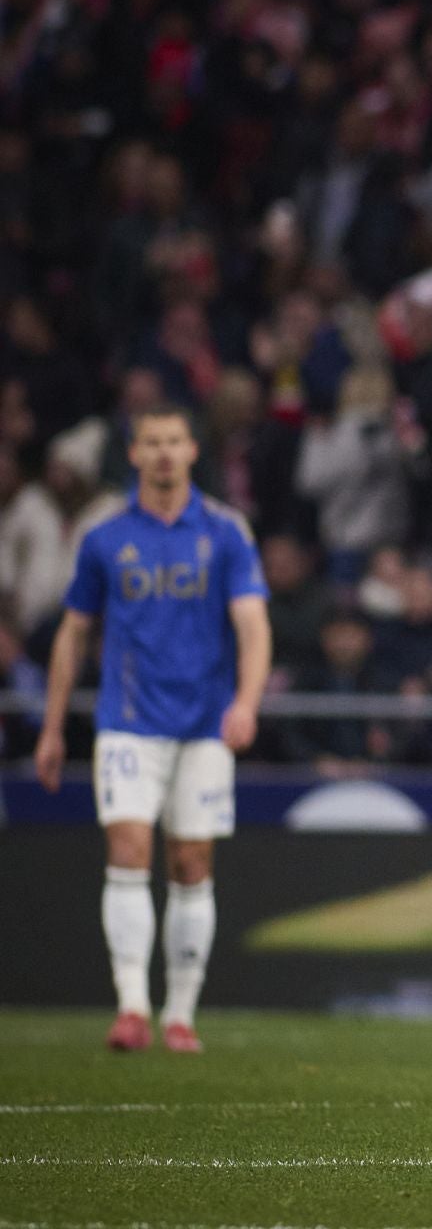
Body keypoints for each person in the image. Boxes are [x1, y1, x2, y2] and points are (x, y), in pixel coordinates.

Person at [33, 406, 270, 1054]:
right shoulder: (105, 538)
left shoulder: (225, 531)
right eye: (151, 443)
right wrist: (53, 729)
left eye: (174, 441)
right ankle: (133, 1005)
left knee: (191, 863)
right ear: (133, 454)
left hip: (204, 723)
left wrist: (247, 702)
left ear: (193, 449)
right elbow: (74, 631)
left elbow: (252, 624)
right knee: (129, 851)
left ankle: (181, 1013)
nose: (164, 453)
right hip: (129, 720)